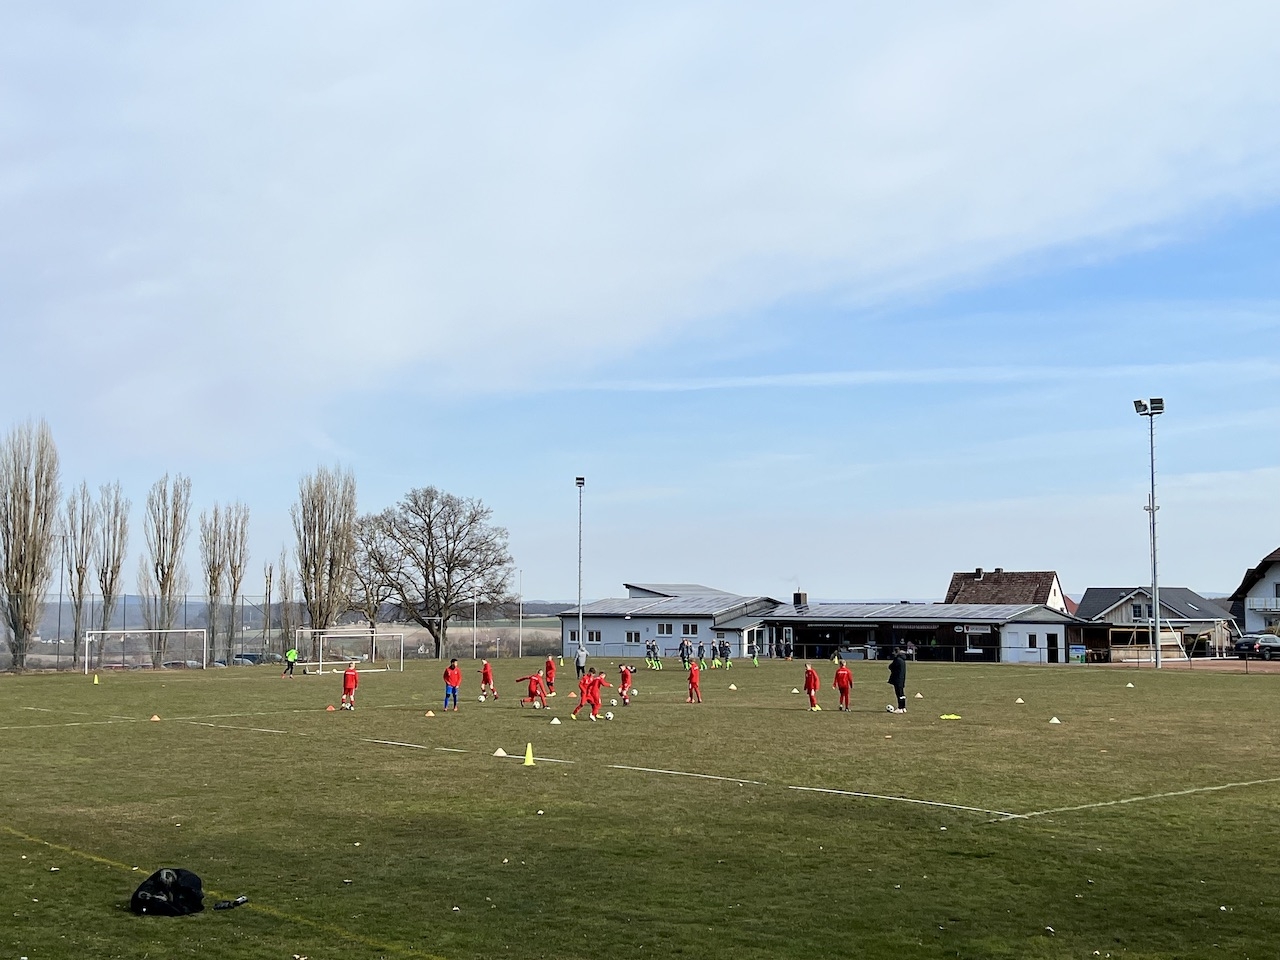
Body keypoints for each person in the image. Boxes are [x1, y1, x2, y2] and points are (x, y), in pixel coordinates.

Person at [888, 648, 908, 713]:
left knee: (898, 694)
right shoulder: (903, 660)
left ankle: (900, 708)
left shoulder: (897, 660)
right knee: (902, 694)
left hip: (897, 679)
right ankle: (903, 707)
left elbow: (891, 667)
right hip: (902, 679)